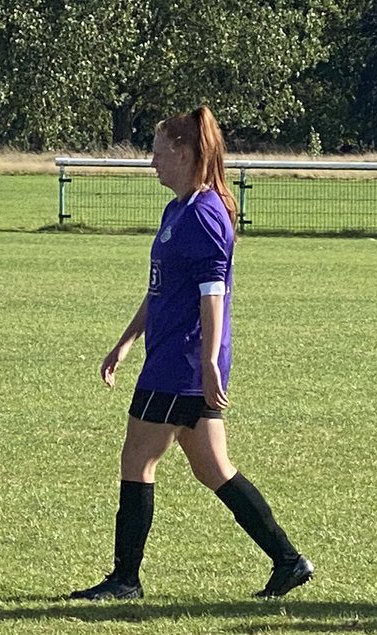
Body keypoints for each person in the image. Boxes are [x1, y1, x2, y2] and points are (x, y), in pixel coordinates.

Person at [70, 106, 313, 602]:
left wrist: (205, 364)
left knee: (137, 461)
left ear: (183, 153)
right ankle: (288, 560)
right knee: (213, 468)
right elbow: (161, 291)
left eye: (157, 153)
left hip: (180, 366)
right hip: (179, 361)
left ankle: (125, 580)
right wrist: (127, 339)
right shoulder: (177, 208)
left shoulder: (203, 214)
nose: (151, 163)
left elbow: (212, 296)